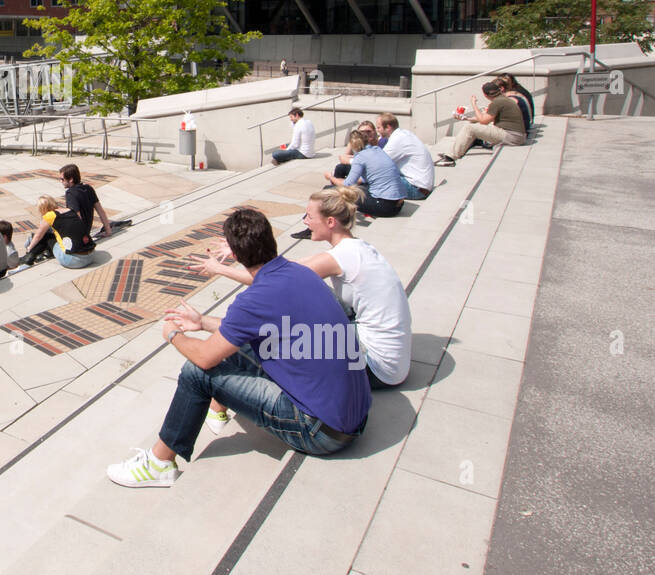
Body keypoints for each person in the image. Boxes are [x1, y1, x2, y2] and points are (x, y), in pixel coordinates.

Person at [107, 208, 370, 488]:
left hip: (320, 430)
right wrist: (203, 322)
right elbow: (249, 327)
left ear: (234, 254)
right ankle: (216, 411)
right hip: (355, 414)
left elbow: (205, 358)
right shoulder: (300, 273)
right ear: (271, 239)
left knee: (196, 373)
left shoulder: (255, 299)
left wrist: (173, 335)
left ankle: (159, 463)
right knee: (244, 344)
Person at [294, 187, 411, 389]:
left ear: (330, 222)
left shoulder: (340, 257)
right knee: (314, 292)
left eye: (309, 216)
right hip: (394, 363)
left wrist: (223, 269)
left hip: (378, 369)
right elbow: (293, 266)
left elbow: (280, 280)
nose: (305, 221)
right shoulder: (358, 246)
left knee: (291, 324)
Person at [437, 80, 527, 166]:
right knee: (470, 126)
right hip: (516, 136)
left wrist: (474, 104)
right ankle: (452, 152)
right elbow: (487, 119)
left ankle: (450, 157)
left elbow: (483, 121)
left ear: (485, 95)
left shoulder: (497, 102)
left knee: (470, 128)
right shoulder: (503, 99)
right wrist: (466, 118)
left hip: (512, 137)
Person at [21, 194, 96, 269]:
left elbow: (38, 236)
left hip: (74, 261)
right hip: (91, 256)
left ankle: (30, 256)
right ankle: (32, 256)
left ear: (42, 208)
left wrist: (29, 248)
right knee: (56, 236)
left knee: (46, 237)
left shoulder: (50, 215)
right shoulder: (70, 210)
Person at [378, 112, 435, 201]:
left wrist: (350, 161)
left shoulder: (397, 140)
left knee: (374, 177)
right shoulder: (404, 134)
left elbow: (377, 163)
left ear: (388, 127)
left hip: (416, 189)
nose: (378, 130)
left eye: (379, 127)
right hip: (422, 186)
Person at [61, 163, 112, 237]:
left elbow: (76, 217)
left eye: (62, 179)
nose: (61, 181)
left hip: (80, 235)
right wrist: (108, 231)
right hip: (87, 230)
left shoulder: (71, 193)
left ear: (71, 179)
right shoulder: (88, 188)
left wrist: (81, 240)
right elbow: (100, 211)